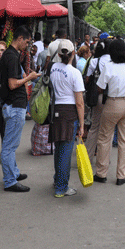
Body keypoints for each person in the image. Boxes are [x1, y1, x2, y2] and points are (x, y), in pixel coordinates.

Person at [0, 26, 41, 192]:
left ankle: (13, 173)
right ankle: (10, 181)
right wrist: (29, 77)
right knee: (9, 147)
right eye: (27, 42)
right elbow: (12, 84)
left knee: (11, 145)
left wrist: (25, 75)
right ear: (20, 39)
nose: (27, 45)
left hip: (14, 105)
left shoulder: (11, 55)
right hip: (14, 106)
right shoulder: (11, 57)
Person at [93, 39, 125, 186]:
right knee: (124, 140)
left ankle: (101, 173)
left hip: (113, 104)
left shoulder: (109, 66)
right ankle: (121, 175)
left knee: (104, 138)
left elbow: (100, 87)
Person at [48, 39, 85, 197]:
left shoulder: (53, 68)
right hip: (69, 114)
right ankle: (61, 188)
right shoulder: (75, 73)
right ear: (73, 54)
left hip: (55, 111)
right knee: (65, 152)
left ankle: (58, 180)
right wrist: (82, 125)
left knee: (58, 149)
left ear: (58, 53)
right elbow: (79, 102)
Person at [84, 39, 111, 160]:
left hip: (97, 97)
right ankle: (104, 158)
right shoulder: (113, 61)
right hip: (111, 97)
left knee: (94, 127)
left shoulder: (94, 61)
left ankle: (88, 156)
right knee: (107, 130)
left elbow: (87, 79)